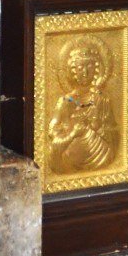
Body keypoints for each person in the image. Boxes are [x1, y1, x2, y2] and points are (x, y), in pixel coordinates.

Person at [48, 38, 118, 176]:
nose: (85, 72)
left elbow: (113, 130)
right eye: (80, 68)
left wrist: (98, 127)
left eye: (89, 67)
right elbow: (52, 131)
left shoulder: (102, 99)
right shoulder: (66, 101)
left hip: (99, 152)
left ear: (96, 69)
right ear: (73, 71)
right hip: (71, 153)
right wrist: (73, 133)